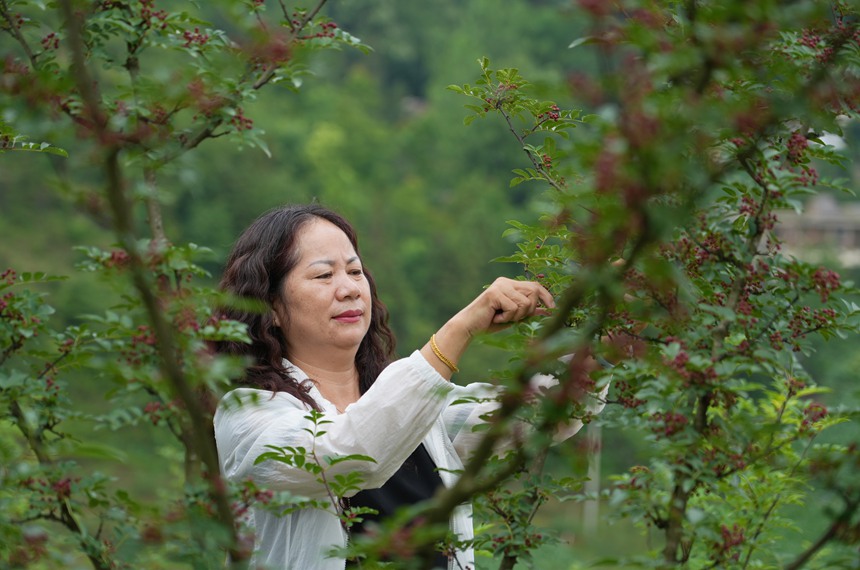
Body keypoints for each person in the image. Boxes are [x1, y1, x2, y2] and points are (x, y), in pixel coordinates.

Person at [212, 204, 605, 570]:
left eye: (354, 270)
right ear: (271, 307)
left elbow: (540, 415)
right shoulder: (249, 414)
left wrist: (610, 331)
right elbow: (347, 454)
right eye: (323, 274)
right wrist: (460, 328)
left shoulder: (424, 416)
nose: (349, 288)